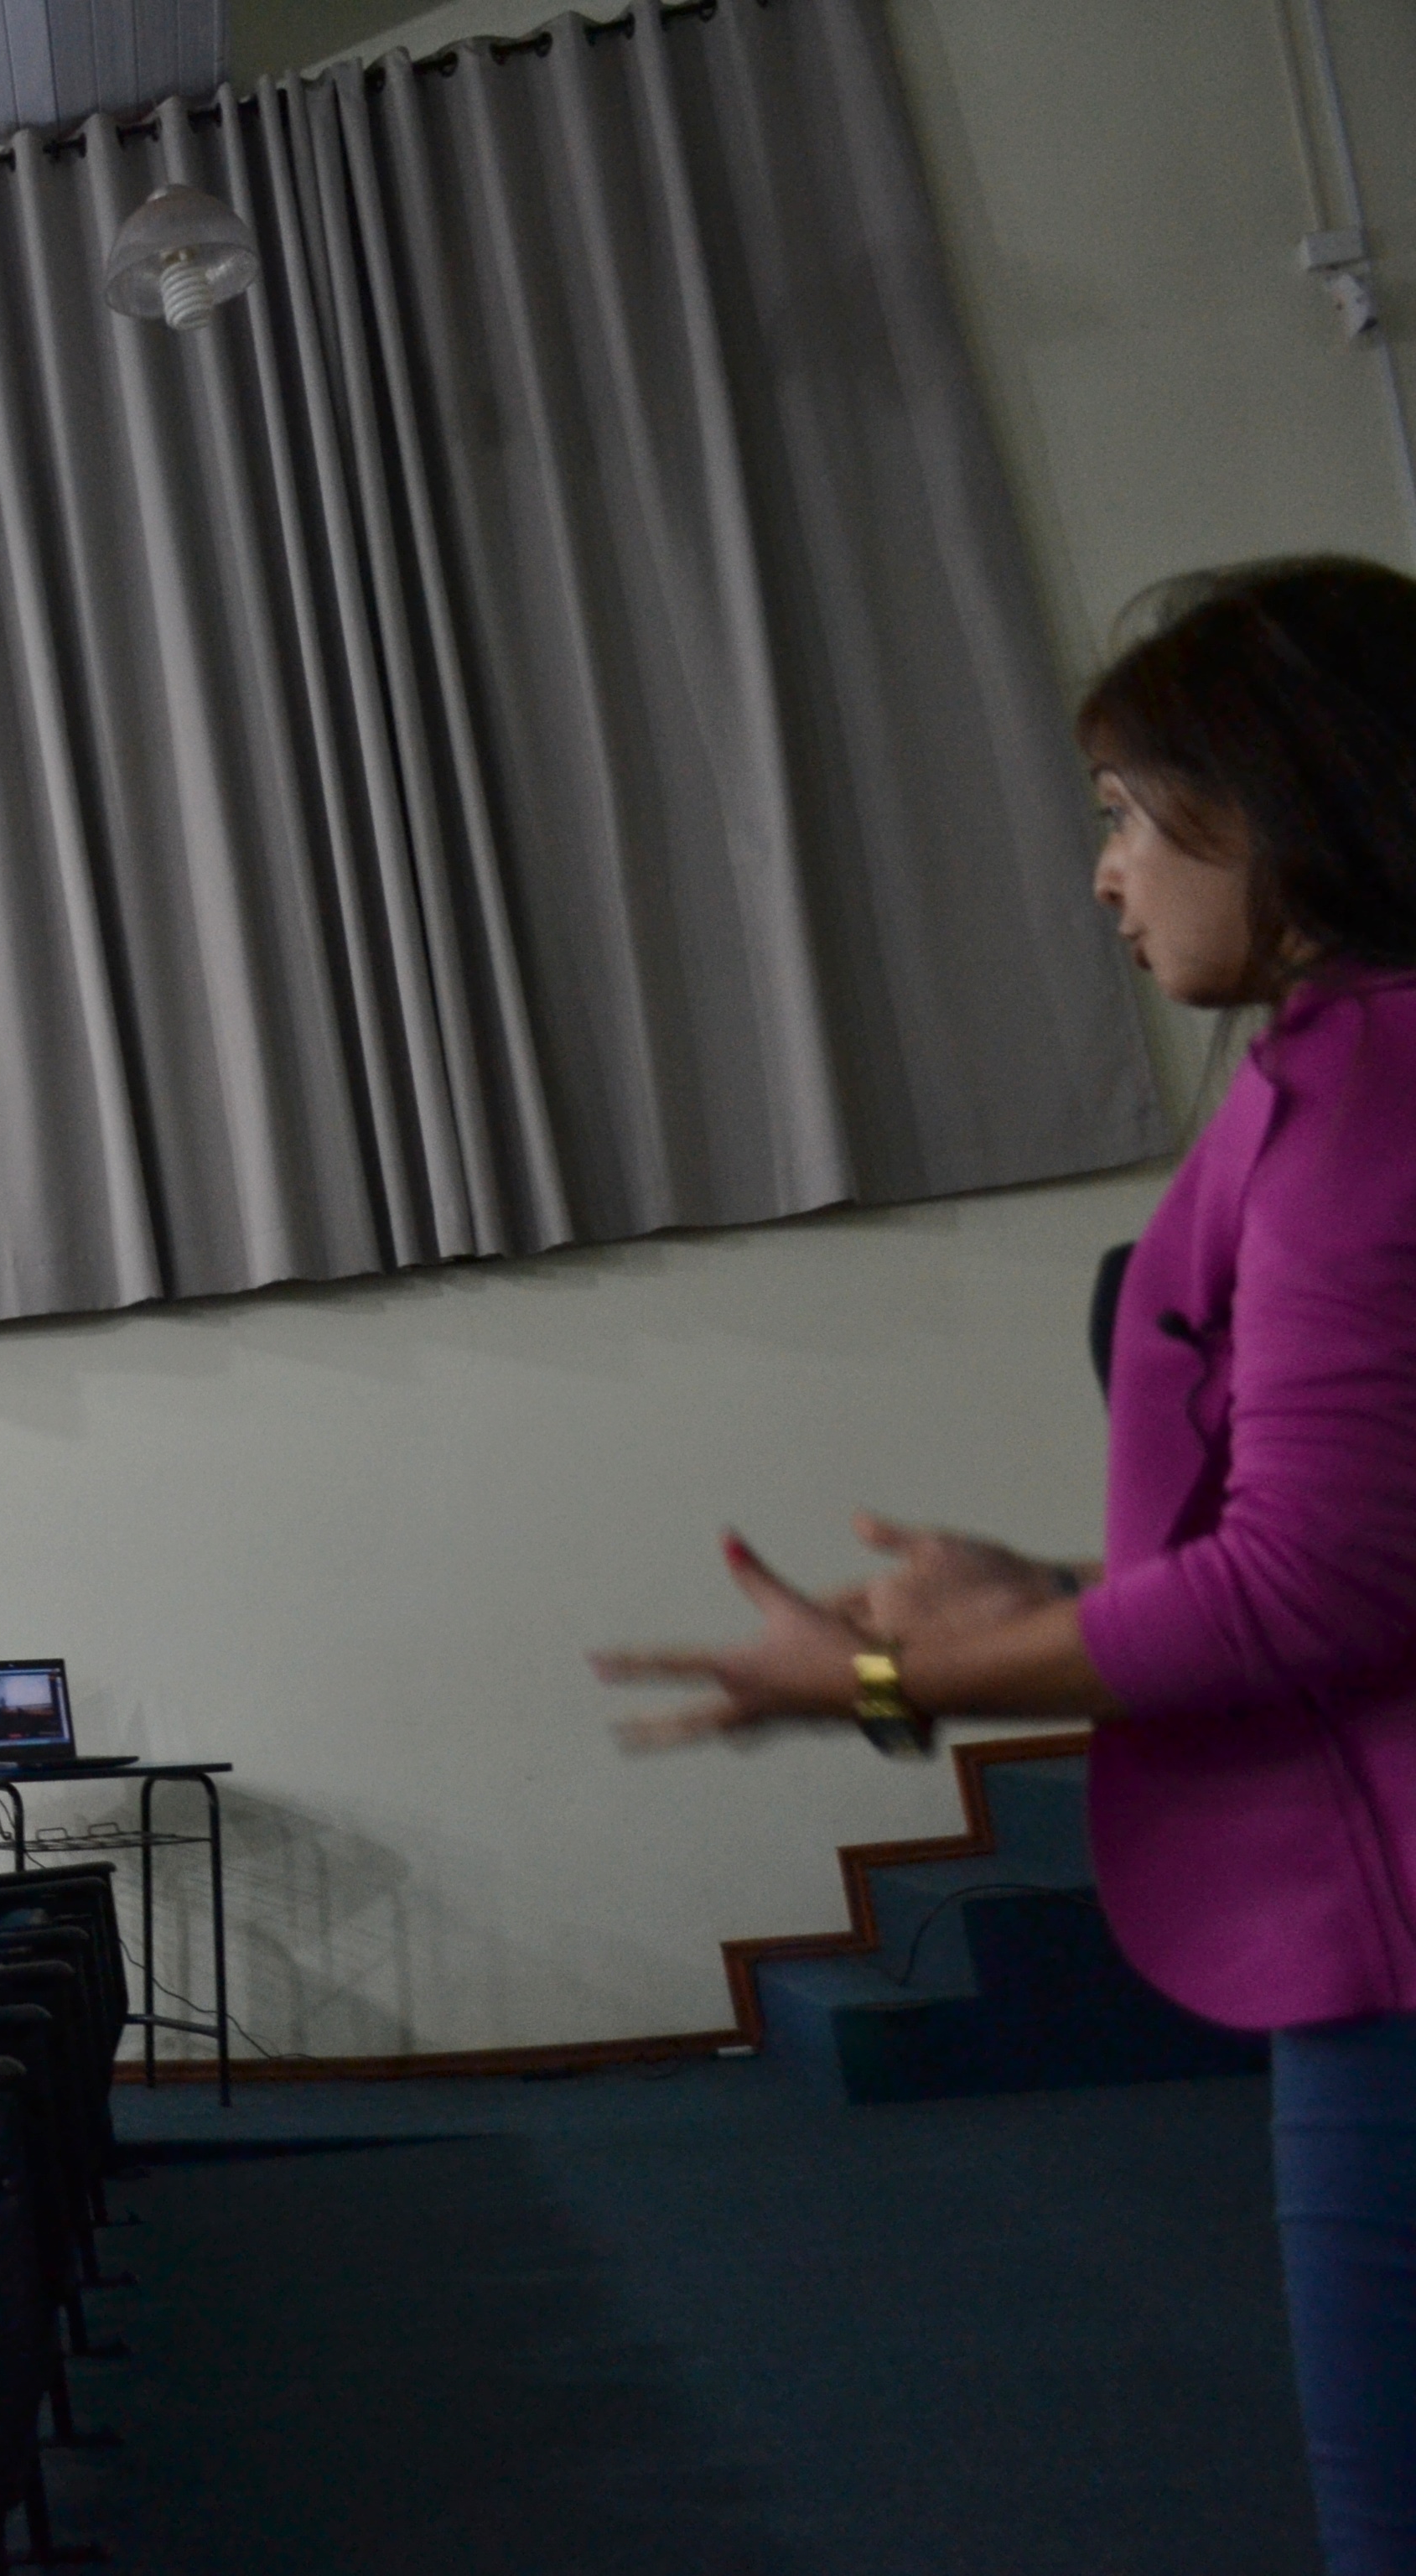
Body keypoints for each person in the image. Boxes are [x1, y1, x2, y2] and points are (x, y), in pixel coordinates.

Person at [592, 559, 1416, 2576]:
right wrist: (1033, 1585)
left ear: (1287, 795)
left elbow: (1314, 1588)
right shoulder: (1342, 1075)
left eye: (1132, 813)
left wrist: (886, 1680)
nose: (1106, 873)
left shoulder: (1369, 1097)